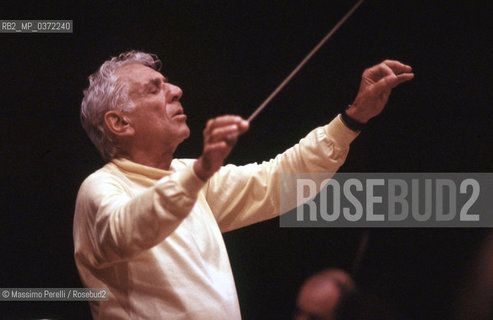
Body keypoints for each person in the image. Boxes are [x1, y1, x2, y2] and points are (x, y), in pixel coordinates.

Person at [73, 50, 413, 319]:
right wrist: (200, 172)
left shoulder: (191, 176)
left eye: (167, 83)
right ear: (119, 122)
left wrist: (353, 118)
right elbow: (127, 229)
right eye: (154, 89)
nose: (176, 90)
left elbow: (279, 182)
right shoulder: (100, 187)